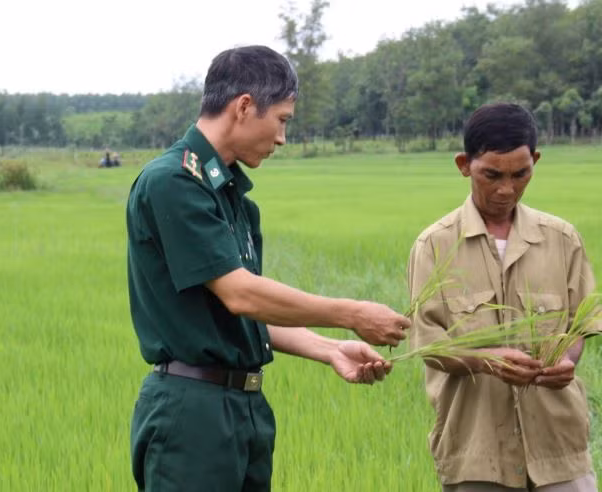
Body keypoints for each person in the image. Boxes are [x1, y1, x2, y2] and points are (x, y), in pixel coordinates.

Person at [126, 45, 410, 492]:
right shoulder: (173, 183)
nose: (282, 138)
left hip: (244, 408)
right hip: (194, 413)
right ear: (243, 106)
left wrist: (329, 348)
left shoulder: (235, 199)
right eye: (282, 120)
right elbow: (242, 292)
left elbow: (241, 315)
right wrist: (352, 313)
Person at [407, 102, 602, 492]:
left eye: (521, 174)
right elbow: (427, 345)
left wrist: (565, 361)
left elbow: (580, 325)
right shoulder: (434, 245)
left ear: (534, 161)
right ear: (464, 165)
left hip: (559, 447)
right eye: (491, 174)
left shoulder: (562, 239)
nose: (506, 189)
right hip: (477, 452)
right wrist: (485, 360)